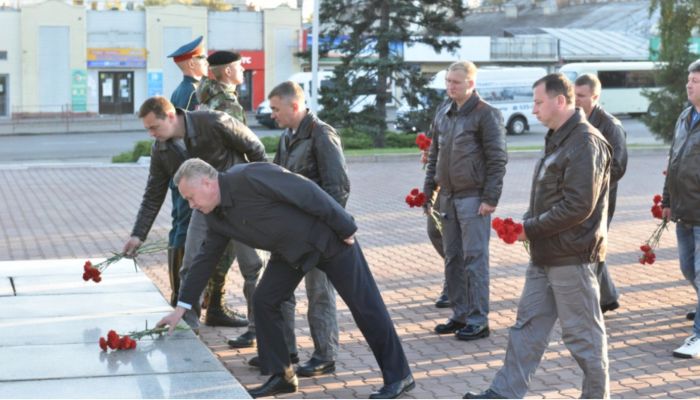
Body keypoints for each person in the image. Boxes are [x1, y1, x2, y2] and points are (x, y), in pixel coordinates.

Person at [157, 158, 414, 399]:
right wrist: (182, 307)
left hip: (328, 239)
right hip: (290, 253)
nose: (191, 205)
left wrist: (345, 226)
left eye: (190, 197)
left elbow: (306, 190)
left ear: (206, 183)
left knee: (366, 306)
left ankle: (399, 376)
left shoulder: (248, 176)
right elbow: (204, 260)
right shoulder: (214, 216)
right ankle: (283, 375)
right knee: (264, 300)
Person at [464, 73, 611, 399]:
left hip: (572, 257)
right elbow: (553, 197)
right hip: (546, 253)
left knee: (584, 338)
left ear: (560, 101)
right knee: (527, 328)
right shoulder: (560, 137)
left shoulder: (585, 142)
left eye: (538, 102)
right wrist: (527, 225)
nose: (533, 110)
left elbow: (578, 206)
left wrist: (528, 228)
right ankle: (504, 393)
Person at [125, 96, 266, 330]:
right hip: (204, 209)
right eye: (147, 129)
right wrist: (138, 235)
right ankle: (188, 324)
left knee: (252, 266)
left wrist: (255, 192)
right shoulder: (161, 149)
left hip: (239, 202)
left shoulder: (214, 122)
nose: (151, 134)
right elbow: (153, 193)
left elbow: (256, 149)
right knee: (190, 263)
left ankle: (258, 327)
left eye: (154, 127)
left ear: (171, 116)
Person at [258, 80, 345, 377]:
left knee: (319, 292)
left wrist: (326, 231)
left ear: (294, 106)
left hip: (318, 233)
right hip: (290, 232)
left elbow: (338, 188)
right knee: (279, 292)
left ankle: (325, 355)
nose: (272, 114)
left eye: (275, 109)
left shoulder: (322, 135)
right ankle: (285, 350)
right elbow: (278, 178)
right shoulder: (288, 135)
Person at [423, 61, 508, 341]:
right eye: (448, 81)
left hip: (473, 198)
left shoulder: (487, 114)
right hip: (447, 197)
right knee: (453, 259)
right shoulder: (444, 113)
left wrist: (490, 198)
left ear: (471, 83)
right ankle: (460, 315)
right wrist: (429, 192)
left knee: (474, 260)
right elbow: (434, 156)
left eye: (456, 82)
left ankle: (478, 320)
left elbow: (497, 159)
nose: (450, 86)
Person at [124, 36, 209, 313]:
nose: (206, 64)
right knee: (184, 231)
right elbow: (154, 190)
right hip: (188, 179)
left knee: (185, 230)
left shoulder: (183, 90)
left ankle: (188, 299)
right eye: (203, 59)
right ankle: (184, 298)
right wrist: (138, 234)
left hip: (188, 176)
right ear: (193, 62)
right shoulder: (192, 93)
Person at [190, 50, 270, 337]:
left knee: (212, 252)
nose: (243, 71)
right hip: (232, 190)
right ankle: (256, 325)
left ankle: (211, 307)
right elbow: (245, 146)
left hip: (210, 188)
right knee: (253, 263)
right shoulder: (227, 104)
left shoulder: (204, 99)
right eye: (238, 67)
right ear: (226, 71)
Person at [574, 73, 628, 314]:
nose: (575, 100)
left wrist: (590, 187)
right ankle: (607, 297)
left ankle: (593, 303)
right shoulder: (574, 120)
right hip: (577, 198)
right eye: (573, 94)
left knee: (591, 247)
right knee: (589, 247)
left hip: (600, 200)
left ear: (595, 97)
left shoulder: (610, 125)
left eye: (581, 95)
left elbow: (618, 167)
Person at [662, 59, 700, 359]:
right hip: (684, 210)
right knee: (688, 268)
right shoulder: (685, 116)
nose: (689, 84)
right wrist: (667, 200)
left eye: (696, 81)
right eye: (689, 79)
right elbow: (673, 160)